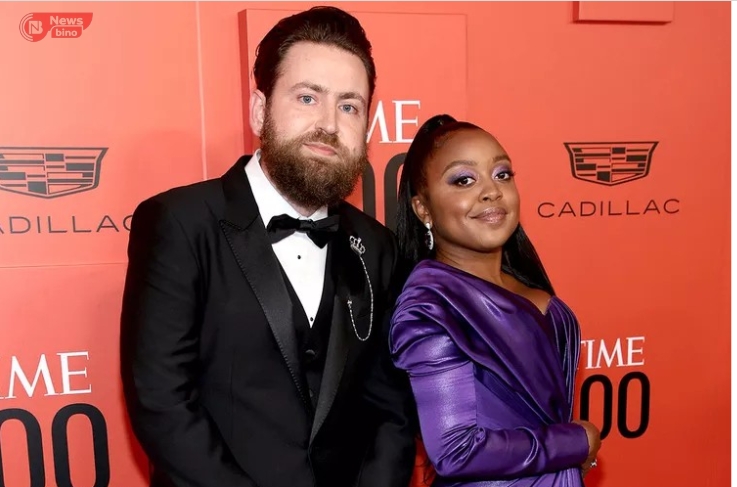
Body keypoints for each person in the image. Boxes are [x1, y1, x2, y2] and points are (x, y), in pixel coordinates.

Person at [119, 7, 417, 487]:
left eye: (349, 106)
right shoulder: (180, 223)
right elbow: (163, 402)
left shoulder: (377, 246)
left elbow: (392, 412)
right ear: (260, 109)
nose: (328, 123)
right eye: (306, 97)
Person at [389, 114, 602, 487]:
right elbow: (457, 451)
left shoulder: (526, 285)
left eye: (502, 174)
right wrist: (577, 441)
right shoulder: (431, 306)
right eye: (464, 180)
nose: (491, 191)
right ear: (423, 209)